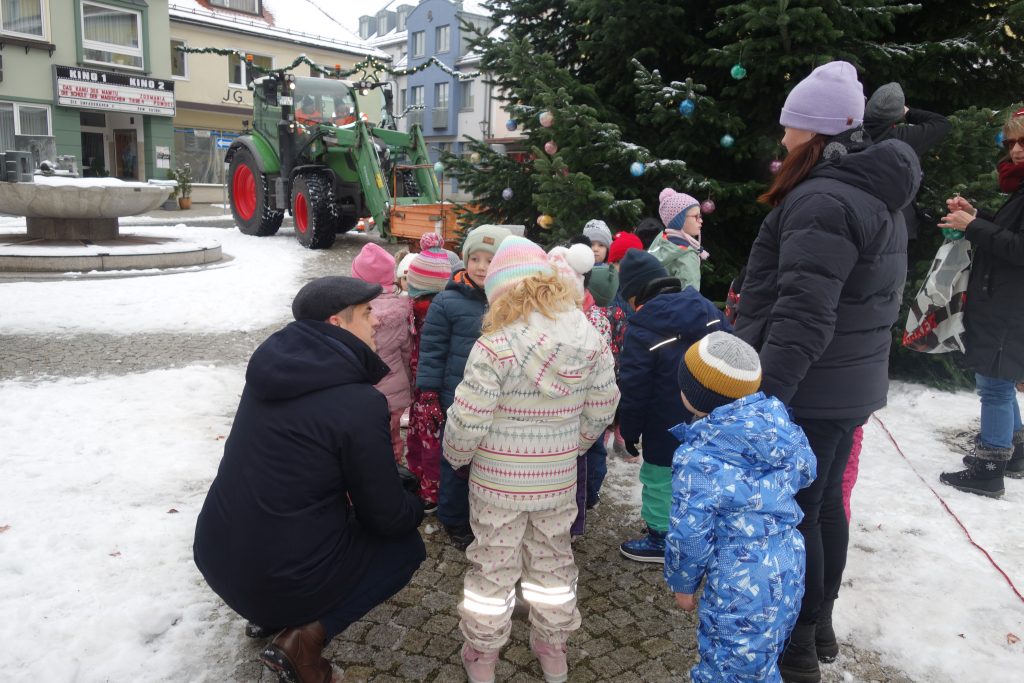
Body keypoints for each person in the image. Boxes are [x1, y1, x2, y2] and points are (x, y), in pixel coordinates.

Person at [733, 61, 920, 683]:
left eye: (790, 126)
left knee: (801, 513)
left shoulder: (823, 198)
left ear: (812, 131)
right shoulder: (871, 191)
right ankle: (822, 622)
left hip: (811, 387)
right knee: (824, 506)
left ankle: (798, 650)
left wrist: (767, 399)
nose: (781, 138)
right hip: (850, 382)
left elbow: (802, 315)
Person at [193, 276, 426, 683]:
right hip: (275, 579)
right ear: (337, 323)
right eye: (368, 313)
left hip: (216, 554)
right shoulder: (358, 402)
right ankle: (302, 640)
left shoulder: (270, 371)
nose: (377, 322)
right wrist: (414, 501)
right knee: (405, 548)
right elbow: (385, 517)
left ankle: (268, 616)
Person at [443, 235, 619, 683]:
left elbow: (468, 418)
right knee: (553, 565)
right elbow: (603, 404)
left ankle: (482, 657)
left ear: (500, 292)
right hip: (556, 481)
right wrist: (572, 447)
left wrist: (458, 456)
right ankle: (552, 648)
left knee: (492, 570)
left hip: (497, 484)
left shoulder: (494, 346)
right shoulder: (589, 337)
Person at [666, 332, 816, 683]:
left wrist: (683, 583)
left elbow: (689, 532)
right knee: (762, 658)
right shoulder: (778, 426)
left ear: (694, 394)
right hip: (787, 565)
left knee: (726, 668)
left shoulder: (698, 457)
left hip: (740, 578)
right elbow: (807, 468)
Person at [616, 249, 729, 562]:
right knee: (703, 478)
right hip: (711, 415)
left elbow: (634, 386)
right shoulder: (707, 308)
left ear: (638, 295)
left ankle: (661, 537)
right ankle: (701, 533)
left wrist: (629, 430)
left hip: (663, 422)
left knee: (659, 478)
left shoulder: (642, 326)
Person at [937, 108, 1024, 495]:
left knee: (995, 384)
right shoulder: (1020, 187)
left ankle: (989, 468)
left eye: (1023, 142)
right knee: (1000, 376)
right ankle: (1016, 448)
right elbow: (1007, 232)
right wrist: (977, 215)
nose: (1016, 151)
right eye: (1011, 143)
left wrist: (973, 226)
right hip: (1004, 298)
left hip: (1010, 303)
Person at [418, 224, 512, 548]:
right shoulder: (446, 302)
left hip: (496, 400)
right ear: (465, 260)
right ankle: (454, 518)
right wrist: (428, 392)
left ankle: (484, 513)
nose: (482, 266)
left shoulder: (508, 301)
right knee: (455, 462)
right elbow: (431, 350)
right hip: (454, 398)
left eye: (490, 259)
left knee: (487, 461)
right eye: (476, 258)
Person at [864, 82, 951, 243]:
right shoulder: (905, 137)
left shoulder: (848, 132)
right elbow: (941, 123)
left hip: (856, 217)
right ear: (897, 115)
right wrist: (909, 112)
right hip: (897, 221)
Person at [405, 234, 454, 515]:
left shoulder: (414, 310)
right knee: (433, 439)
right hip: (437, 388)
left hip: (423, 388)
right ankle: (429, 486)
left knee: (423, 439)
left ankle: (425, 487)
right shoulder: (448, 310)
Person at [351, 242, 413, 466]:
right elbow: (407, 352)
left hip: (364, 394)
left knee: (368, 441)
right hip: (395, 391)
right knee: (393, 436)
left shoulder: (354, 313)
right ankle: (394, 466)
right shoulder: (402, 309)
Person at [648, 188, 710, 292]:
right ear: (679, 220)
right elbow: (690, 298)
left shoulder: (661, 240)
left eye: (701, 216)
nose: (701, 220)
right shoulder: (687, 255)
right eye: (696, 216)